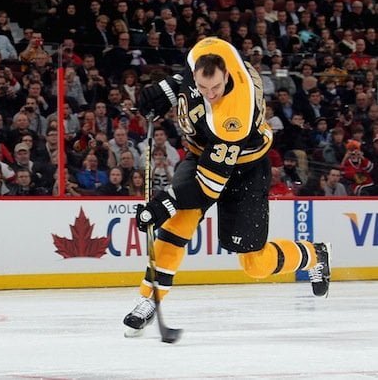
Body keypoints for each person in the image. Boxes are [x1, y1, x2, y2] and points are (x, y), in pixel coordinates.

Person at [126, 37, 332, 335]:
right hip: (200, 153)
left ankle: (314, 254)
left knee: (254, 264)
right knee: (178, 223)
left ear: (228, 77)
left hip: (245, 167)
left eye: (217, 88)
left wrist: (165, 201)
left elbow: (207, 187)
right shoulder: (206, 53)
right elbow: (187, 75)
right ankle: (150, 298)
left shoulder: (233, 116)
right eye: (204, 88)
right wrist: (165, 91)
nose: (210, 95)